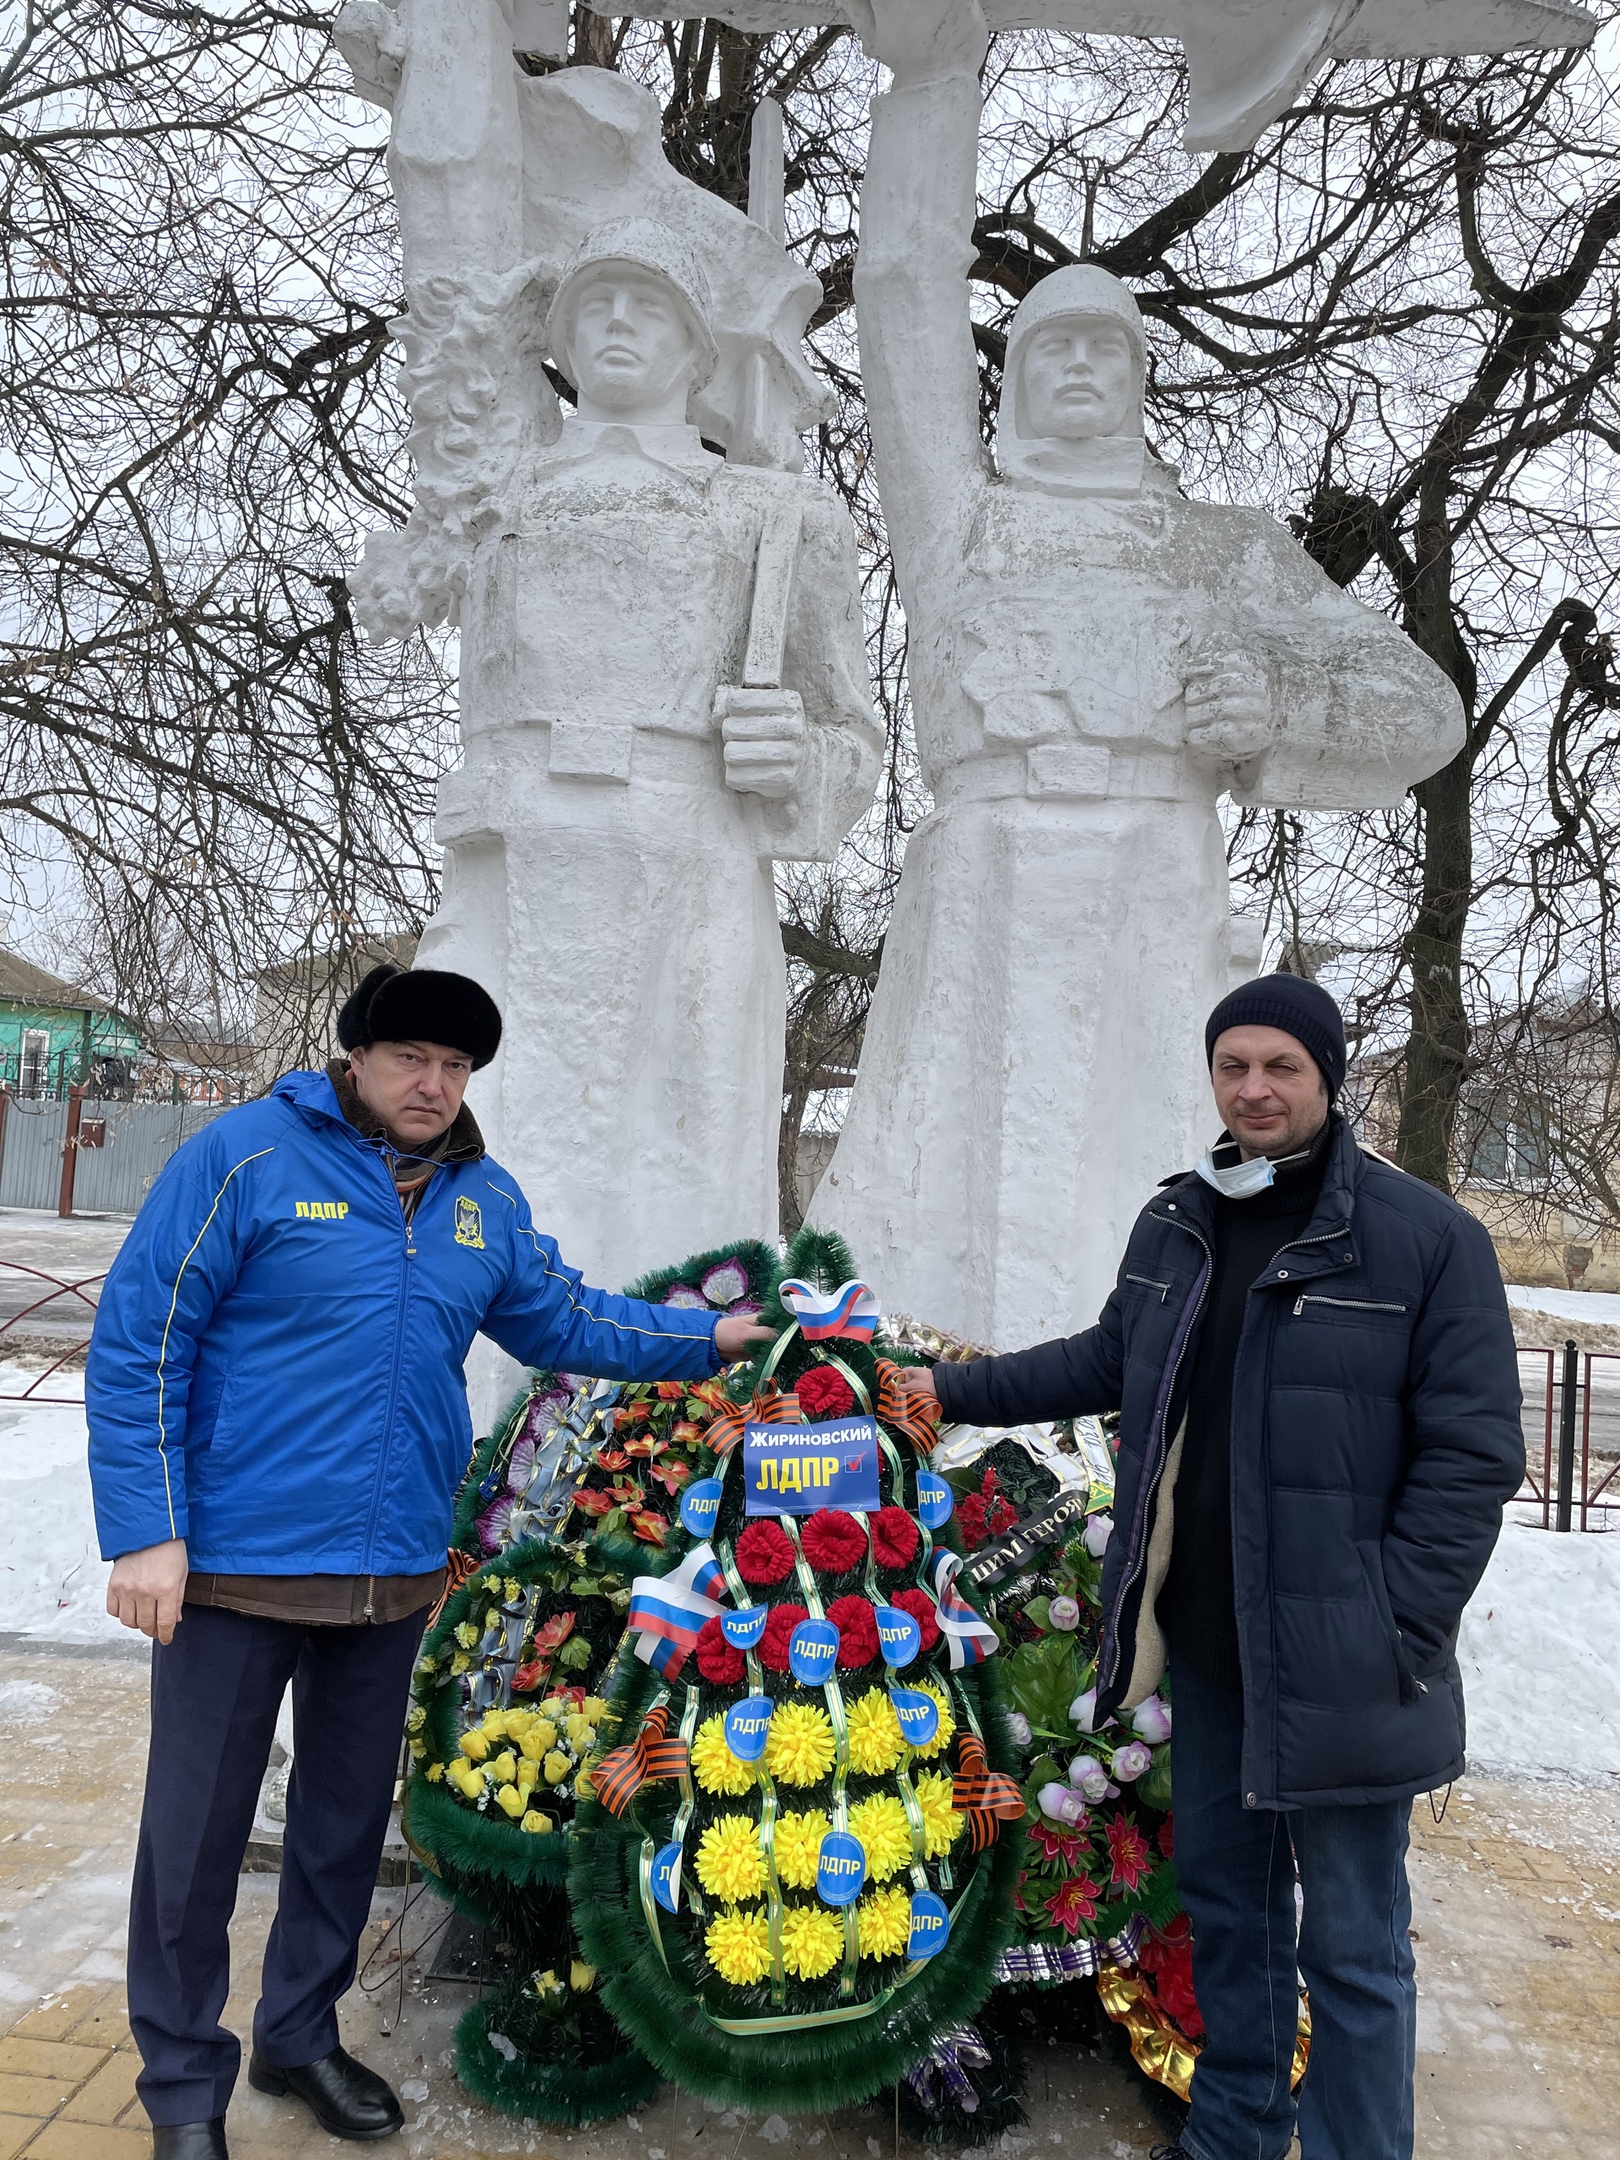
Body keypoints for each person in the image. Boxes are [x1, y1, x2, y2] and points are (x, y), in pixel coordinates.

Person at [87, 963, 773, 2160]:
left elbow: (567, 1318)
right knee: (194, 1841)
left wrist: (712, 1335)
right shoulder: (246, 1158)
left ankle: (298, 2033)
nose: (434, 1084)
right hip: (238, 1567)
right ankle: (184, 2086)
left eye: (455, 1067)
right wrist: (147, 1531)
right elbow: (142, 1338)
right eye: (411, 1058)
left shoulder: (481, 1201)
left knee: (345, 1825)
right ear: (355, 1057)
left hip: (395, 1568)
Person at [899, 973, 1523, 2160]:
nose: (1254, 1089)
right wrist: (946, 1386)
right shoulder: (1181, 1219)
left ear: (1328, 1077)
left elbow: (1474, 1455)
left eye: (1281, 1066)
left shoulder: (1426, 1240)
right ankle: (1235, 2127)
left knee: (1354, 1945)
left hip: (1348, 1667)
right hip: (1208, 1643)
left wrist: (1399, 1623)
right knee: (1230, 1913)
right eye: (1233, 1066)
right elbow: (1106, 1358)